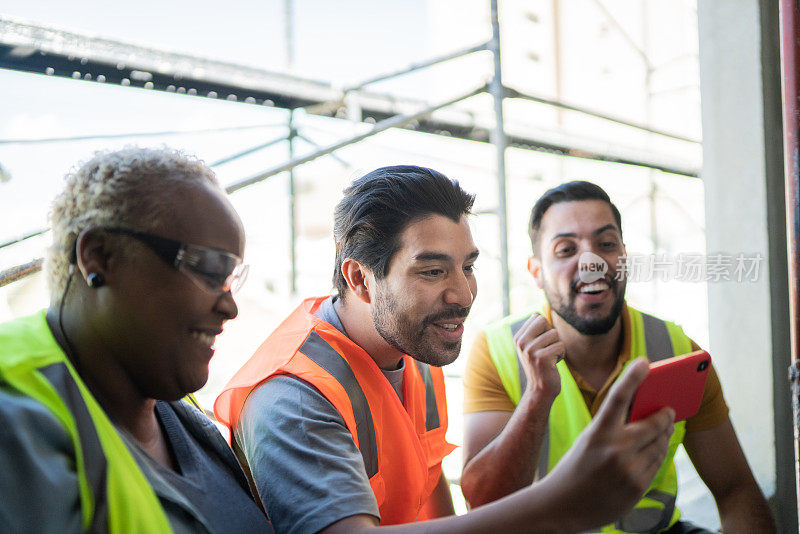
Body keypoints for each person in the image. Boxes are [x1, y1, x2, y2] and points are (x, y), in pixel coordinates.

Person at [215, 166, 677, 534]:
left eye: (468, 267)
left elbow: (439, 513)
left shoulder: (417, 350)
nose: (463, 294)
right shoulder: (293, 397)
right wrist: (559, 503)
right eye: (433, 272)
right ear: (359, 279)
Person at [460, 180, 775, 533]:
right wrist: (536, 397)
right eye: (566, 250)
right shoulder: (497, 351)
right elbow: (482, 506)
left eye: (606, 244)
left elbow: (736, 491)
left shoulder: (678, 350)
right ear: (537, 273)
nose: (591, 262)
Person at [0, 147, 271, 533]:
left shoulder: (175, 407)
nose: (230, 307)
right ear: (100, 257)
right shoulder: (17, 415)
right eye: (209, 270)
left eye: (231, 279)